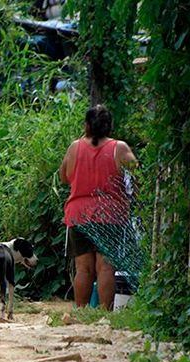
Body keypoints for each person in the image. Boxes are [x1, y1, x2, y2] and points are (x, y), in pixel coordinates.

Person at [59, 105, 137, 309]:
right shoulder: (119, 148)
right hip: (110, 215)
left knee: (83, 268)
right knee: (105, 267)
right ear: (109, 127)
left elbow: (64, 176)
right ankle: (103, 311)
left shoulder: (75, 147)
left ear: (86, 126)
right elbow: (137, 175)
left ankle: (82, 310)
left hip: (78, 214)